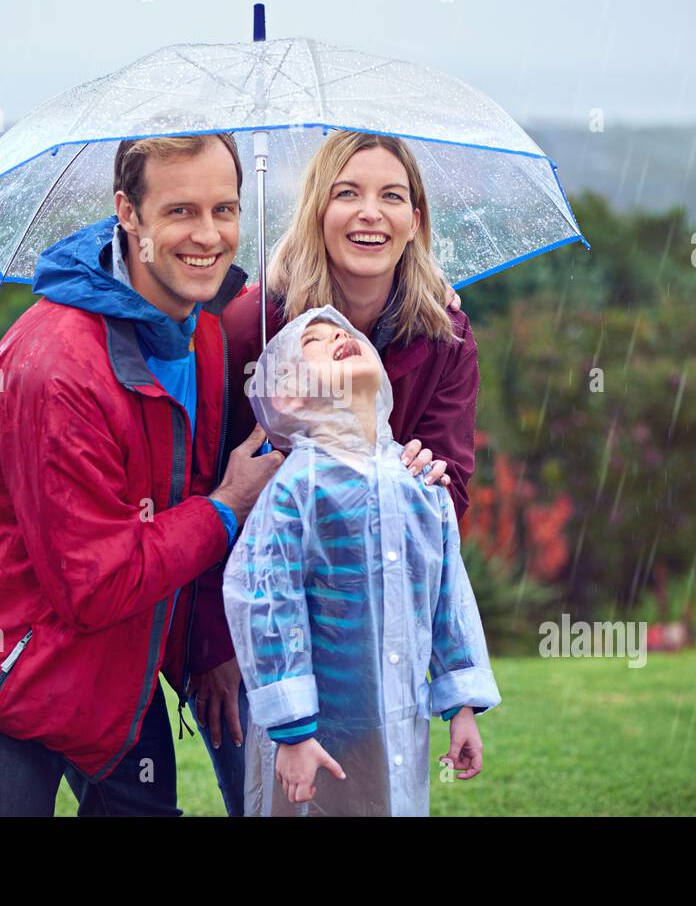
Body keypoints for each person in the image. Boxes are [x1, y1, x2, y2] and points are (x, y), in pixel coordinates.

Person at [0, 133, 283, 816]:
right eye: (180, 211)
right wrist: (227, 507)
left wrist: (207, 645)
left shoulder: (202, 331)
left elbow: (176, 496)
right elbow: (96, 583)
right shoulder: (58, 368)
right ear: (128, 213)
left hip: (119, 677)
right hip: (10, 675)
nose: (209, 236)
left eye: (225, 210)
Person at [188, 131, 481, 815]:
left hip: (374, 625)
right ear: (318, 209)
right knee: (274, 796)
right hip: (261, 623)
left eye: (392, 196)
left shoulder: (445, 334)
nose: (370, 212)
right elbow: (207, 488)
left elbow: (448, 496)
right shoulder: (254, 326)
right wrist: (212, 647)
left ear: (415, 220)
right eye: (347, 193)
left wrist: (426, 476)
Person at [223, 305, 499, 816]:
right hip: (312, 732)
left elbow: (447, 598)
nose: (336, 337)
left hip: (397, 718)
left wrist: (461, 705)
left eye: (342, 332)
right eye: (314, 343)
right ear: (288, 395)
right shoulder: (296, 489)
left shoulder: (422, 484)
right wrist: (292, 728)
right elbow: (265, 602)